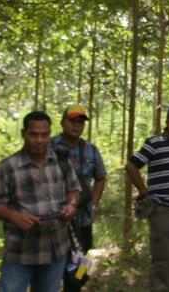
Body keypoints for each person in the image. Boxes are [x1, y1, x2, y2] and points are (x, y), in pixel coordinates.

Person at [0, 111, 82, 292]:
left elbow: (74, 188)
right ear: (24, 134)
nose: (39, 140)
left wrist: (71, 205)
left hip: (55, 249)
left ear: (50, 134)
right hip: (20, 252)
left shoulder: (61, 162)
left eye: (44, 135)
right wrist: (14, 216)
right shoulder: (8, 166)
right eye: (33, 134)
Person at [125, 104, 169, 291]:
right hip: (161, 209)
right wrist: (143, 190)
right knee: (162, 256)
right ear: (167, 122)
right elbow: (131, 166)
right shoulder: (155, 142)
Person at [49, 105, 107, 255]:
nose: (76, 125)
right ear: (62, 123)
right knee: (52, 265)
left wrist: (94, 204)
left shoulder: (91, 149)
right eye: (72, 121)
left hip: (83, 219)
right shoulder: (48, 146)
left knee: (79, 269)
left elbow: (100, 177)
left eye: (80, 122)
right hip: (53, 219)